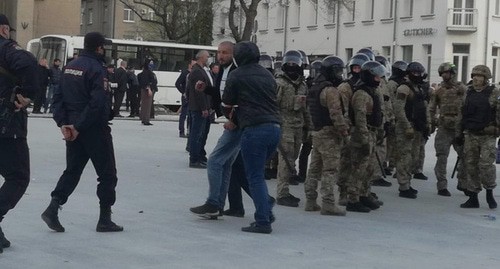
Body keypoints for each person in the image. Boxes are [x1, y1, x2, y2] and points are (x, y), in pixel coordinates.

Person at [41, 32, 123, 233]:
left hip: (73, 128)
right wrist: (79, 126)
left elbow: (57, 98)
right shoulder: (97, 69)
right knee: (107, 174)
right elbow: (97, 104)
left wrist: (64, 124)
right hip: (93, 129)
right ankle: (105, 218)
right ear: (99, 48)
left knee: (73, 170)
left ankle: (53, 206)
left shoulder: (70, 66)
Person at [222, 41, 281, 234]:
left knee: (255, 176)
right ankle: (264, 207)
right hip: (274, 128)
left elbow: (227, 101)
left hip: (254, 129)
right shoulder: (268, 75)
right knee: (246, 168)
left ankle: (263, 220)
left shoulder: (236, 74)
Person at [189, 41, 242, 218]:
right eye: (219, 52)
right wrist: (206, 89)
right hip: (232, 120)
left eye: (225, 52)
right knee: (225, 163)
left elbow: (242, 98)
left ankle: (213, 203)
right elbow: (222, 94)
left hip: (237, 123)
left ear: (234, 54)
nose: (221, 56)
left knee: (214, 161)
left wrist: (234, 120)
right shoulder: (222, 70)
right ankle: (218, 205)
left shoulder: (237, 71)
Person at [0, 14, 38, 254]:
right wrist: (27, 93)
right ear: (4, 29)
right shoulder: (6, 47)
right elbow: (28, 63)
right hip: (5, 124)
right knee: (18, 177)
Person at [304, 55, 348, 216]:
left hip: (317, 131)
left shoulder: (315, 87)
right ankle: (328, 203)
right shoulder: (330, 90)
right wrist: (343, 130)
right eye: (337, 71)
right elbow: (336, 113)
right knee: (330, 169)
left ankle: (310, 200)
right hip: (329, 133)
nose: (340, 75)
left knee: (314, 168)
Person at [346, 61, 386, 213]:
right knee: (359, 167)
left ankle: (364, 194)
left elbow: (379, 113)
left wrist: (381, 131)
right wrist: (363, 138)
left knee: (369, 167)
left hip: (372, 132)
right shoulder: (361, 93)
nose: (379, 79)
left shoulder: (373, 91)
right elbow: (360, 117)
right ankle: (353, 198)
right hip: (362, 133)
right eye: (376, 76)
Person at [458, 65, 498, 209]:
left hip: (487, 135)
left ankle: (489, 193)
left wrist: (496, 128)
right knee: (471, 165)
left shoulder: (494, 93)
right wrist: (459, 133)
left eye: (479, 76)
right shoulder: (468, 93)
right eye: (474, 75)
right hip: (470, 134)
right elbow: (461, 113)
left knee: (486, 165)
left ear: (486, 78)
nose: (476, 78)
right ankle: (473, 197)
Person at [275, 50, 311, 208]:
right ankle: (282, 193)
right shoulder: (280, 83)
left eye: (294, 63)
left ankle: (286, 189)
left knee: (293, 157)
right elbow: (273, 105)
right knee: (286, 159)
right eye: (289, 63)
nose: (292, 66)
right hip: (284, 125)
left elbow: (306, 108)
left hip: (298, 125)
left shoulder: (302, 84)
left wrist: (309, 126)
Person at [428, 62, 467, 196]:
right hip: (444, 128)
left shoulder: (462, 89)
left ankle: (463, 183)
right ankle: (442, 186)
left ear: (452, 73)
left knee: (465, 156)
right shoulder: (439, 90)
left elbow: (468, 106)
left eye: (447, 73)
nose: (445, 75)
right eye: (443, 73)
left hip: (459, 128)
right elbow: (432, 109)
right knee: (442, 157)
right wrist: (431, 124)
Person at [393, 62, 430, 199]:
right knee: (404, 157)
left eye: (419, 73)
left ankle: (407, 182)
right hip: (406, 127)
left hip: (417, 127)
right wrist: (406, 126)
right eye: (415, 73)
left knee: (413, 157)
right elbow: (399, 109)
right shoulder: (404, 88)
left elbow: (424, 106)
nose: (418, 75)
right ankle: (403, 186)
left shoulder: (418, 88)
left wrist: (427, 124)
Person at [337, 53, 370, 205]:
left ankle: (361, 191)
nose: (357, 70)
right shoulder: (345, 86)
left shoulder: (367, 86)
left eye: (360, 68)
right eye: (355, 67)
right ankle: (343, 192)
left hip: (362, 128)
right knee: (346, 161)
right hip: (349, 128)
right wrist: (345, 128)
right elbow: (342, 109)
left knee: (361, 163)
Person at [187, 50, 213, 168]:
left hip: (201, 106)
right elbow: (199, 91)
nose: (209, 59)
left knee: (201, 133)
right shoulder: (197, 71)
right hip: (199, 108)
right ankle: (194, 159)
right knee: (197, 134)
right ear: (202, 57)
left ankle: (200, 156)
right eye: (207, 57)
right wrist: (204, 108)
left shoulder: (201, 70)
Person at [175, 60, 196, 137]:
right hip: (186, 96)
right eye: (193, 65)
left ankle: (189, 131)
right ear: (189, 65)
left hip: (193, 97)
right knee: (183, 114)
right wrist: (183, 92)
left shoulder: (195, 73)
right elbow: (177, 83)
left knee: (191, 115)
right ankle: (181, 131)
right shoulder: (185, 73)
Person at [137, 59, 156, 125]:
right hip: (147, 90)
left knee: (144, 105)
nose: (152, 65)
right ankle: (146, 120)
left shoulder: (145, 71)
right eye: (150, 63)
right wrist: (149, 89)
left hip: (146, 89)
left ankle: (143, 118)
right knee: (147, 106)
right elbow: (146, 81)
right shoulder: (147, 72)